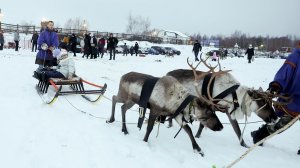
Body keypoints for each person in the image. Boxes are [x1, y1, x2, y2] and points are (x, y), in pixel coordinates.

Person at [251, 41, 300, 154]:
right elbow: (284, 74)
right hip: (293, 100)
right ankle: (259, 135)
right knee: (280, 125)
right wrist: (275, 86)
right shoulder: (295, 57)